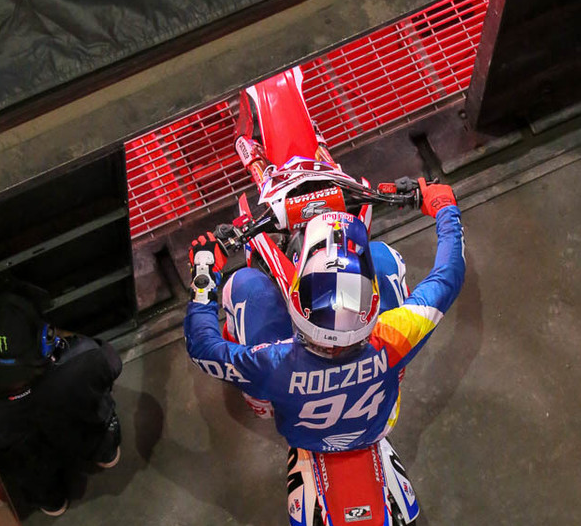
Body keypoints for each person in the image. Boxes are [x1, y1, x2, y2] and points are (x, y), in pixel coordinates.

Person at [183, 182, 465, 473]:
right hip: (377, 425)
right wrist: (445, 207)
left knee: (244, 285)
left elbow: (203, 348)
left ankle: (261, 404)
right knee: (382, 257)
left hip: (301, 434)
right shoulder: (393, 336)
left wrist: (204, 272)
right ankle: (397, 372)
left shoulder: (272, 364)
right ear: (370, 311)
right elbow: (449, 275)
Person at [0, 286, 123, 517]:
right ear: (45, 340)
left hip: (32, 464)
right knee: (100, 426)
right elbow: (112, 364)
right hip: (83, 433)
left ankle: (52, 501)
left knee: (33, 478)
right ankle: (105, 454)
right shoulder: (84, 358)